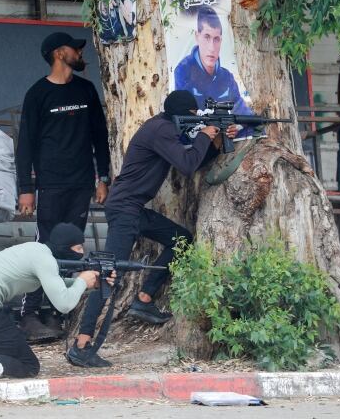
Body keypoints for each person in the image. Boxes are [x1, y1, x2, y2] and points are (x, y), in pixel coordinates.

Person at [67, 90, 238, 368]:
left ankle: (144, 298)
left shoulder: (163, 127)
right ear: (183, 115)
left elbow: (195, 162)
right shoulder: (160, 130)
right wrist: (206, 134)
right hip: (125, 210)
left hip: (132, 210)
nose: (196, 120)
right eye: (193, 116)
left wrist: (218, 141)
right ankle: (82, 344)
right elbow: (186, 164)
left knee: (181, 240)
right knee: (109, 275)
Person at [15, 32, 111, 340]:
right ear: (59, 53)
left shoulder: (86, 90)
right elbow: (25, 145)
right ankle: (29, 314)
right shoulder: (37, 94)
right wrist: (25, 188)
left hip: (82, 183)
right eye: (75, 48)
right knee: (45, 246)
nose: (81, 53)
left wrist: (103, 178)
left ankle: (58, 313)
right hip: (50, 184)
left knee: (72, 246)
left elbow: (100, 137)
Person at [0, 223, 112, 379]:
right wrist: (82, 281)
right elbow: (64, 304)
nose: (81, 253)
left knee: (7, 349)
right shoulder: (46, 261)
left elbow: (55, 285)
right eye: (78, 247)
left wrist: (90, 284)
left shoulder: (36, 250)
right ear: (64, 247)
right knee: (29, 366)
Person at [174, 7, 251, 117]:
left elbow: (243, 113)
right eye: (207, 37)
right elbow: (181, 114)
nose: (212, 47)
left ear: (221, 41)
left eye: (216, 39)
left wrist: (237, 127)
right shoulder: (183, 71)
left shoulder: (227, 78)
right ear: (197, 36)